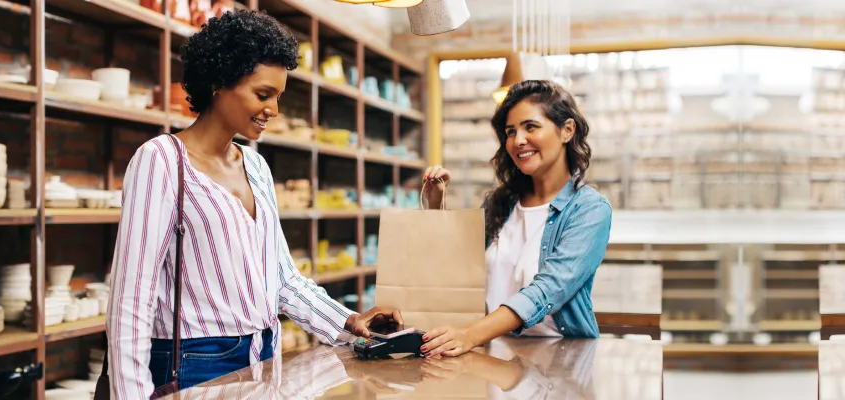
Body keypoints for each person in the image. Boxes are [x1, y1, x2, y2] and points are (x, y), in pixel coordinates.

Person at [105, 10, 402, 398]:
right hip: (193, 366)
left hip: (264, 359)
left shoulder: (256, 166)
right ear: (218, 83)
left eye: (278, 96)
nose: (273, 110)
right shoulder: (161, 161)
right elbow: (131, 301)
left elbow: (282, 280)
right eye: (263, 95)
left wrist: (348, 319)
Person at [419, 80, 612, 357]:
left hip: (558, 360)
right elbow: (457, 268)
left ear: (567, 130)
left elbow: (546, 290)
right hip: (489, 355)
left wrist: (469, 334)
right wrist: (436, 202)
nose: (518, 140)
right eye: (510, 132)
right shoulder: (501, 202)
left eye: (530, 127)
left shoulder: (589, 209)